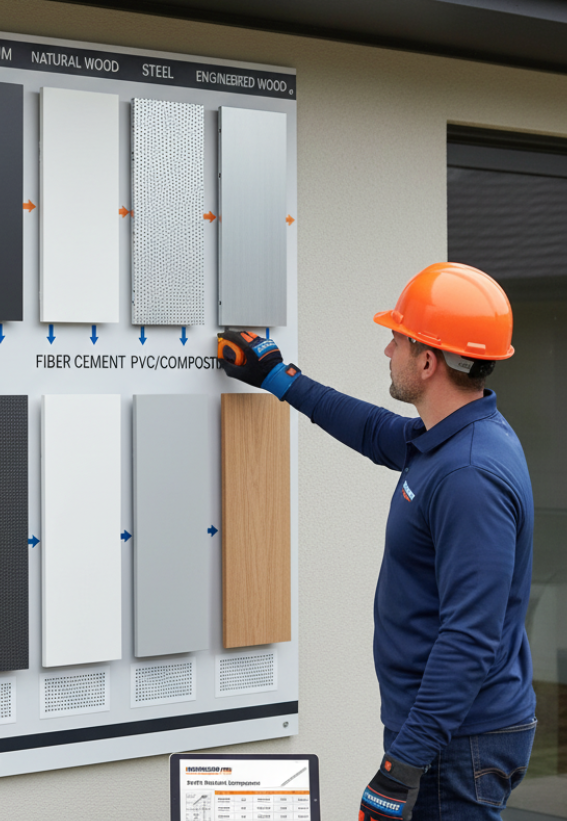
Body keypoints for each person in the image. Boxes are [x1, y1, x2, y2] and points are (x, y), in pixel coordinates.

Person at [217, 262, 536, 821]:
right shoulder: (451, 438)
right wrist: (279, 378)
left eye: (397, 339)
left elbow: (469, 638)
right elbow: (372, 431)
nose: (388, 351)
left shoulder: (468, 476)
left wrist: (401, 768)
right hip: (449, 733)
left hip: (459, 744)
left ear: (429, 360)